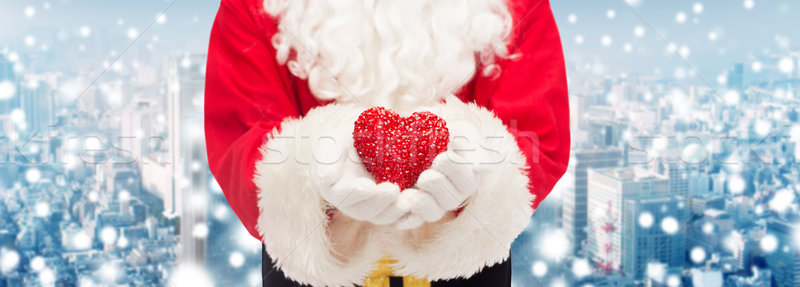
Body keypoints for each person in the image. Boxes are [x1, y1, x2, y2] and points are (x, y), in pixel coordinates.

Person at [204, 0, 569, 285]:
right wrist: (315, 172)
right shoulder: (250, 7)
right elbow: (239, 136)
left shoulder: (519, 6)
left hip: (465, 271)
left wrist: (478, 176)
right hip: (314, 270)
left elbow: (538, 135)